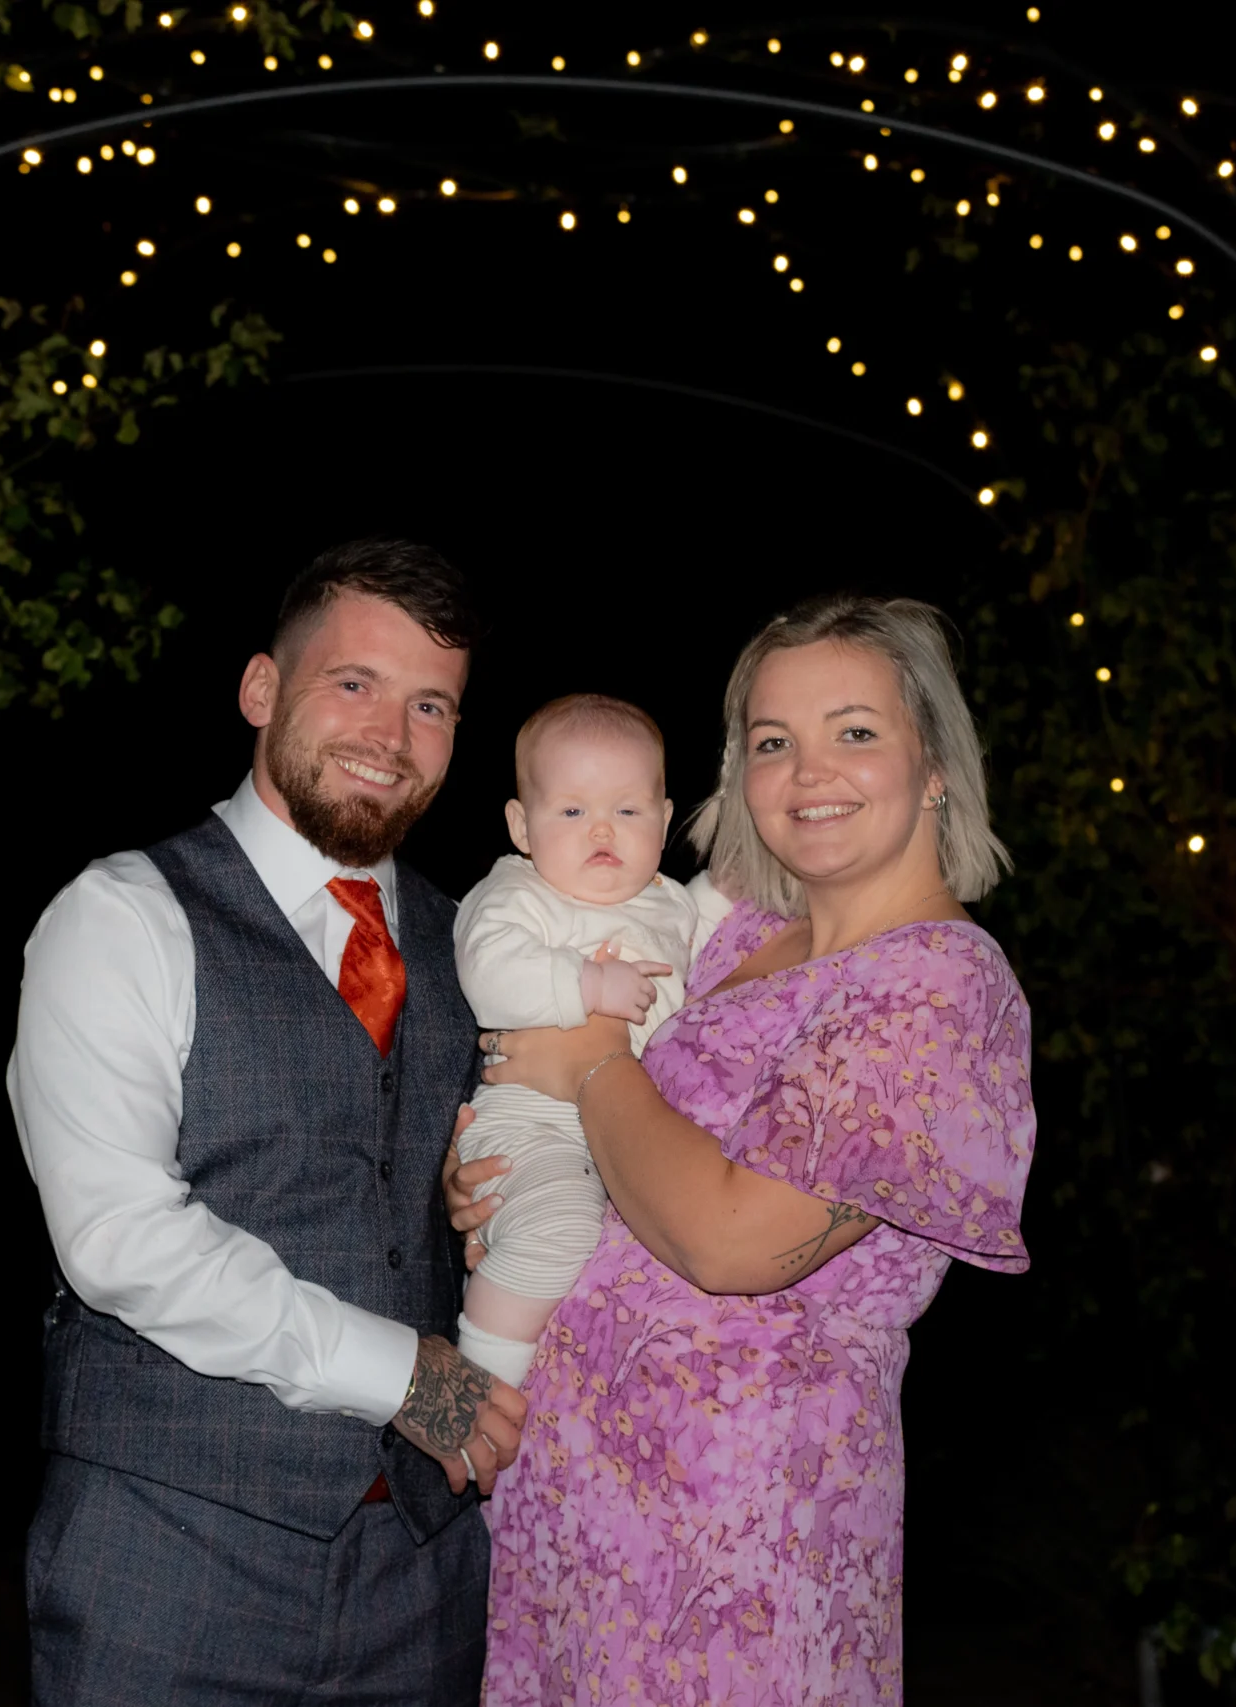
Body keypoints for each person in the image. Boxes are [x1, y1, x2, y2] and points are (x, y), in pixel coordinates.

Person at [454, 594, 1038, 1705]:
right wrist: (494, 1151)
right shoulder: (733, 943)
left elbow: (730, 1241)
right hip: (571, 1521)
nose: (809, 770)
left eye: (854, 731)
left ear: (934, 765)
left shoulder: (939, 987)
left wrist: (584, 1062)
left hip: (733, 1555)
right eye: (773, 742)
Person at [8, 539, 527, 1706]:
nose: (390, 737)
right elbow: (120, 1241)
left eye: (430, 703)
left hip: (426, 1578)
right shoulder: (125, 916)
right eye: (355, 684)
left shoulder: (482, 947)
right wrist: (413, 1379)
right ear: (260, 690)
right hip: (170, 1557)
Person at [447, 695, 709, 1389]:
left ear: (663, 819)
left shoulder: (675, 902)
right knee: (558, 1228)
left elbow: (739, 907)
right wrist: (587, 987)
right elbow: (487, 969)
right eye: (571, 811)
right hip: (531, 1121)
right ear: (521, 825)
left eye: (628, 810)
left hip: (625, 1139)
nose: (602, 829)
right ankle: (482, 1393)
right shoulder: (518, 892)